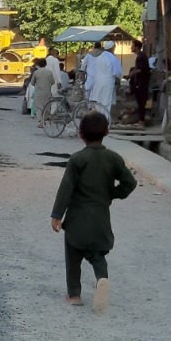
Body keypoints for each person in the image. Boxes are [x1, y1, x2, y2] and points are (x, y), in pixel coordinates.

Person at [50, 112, 137, 313]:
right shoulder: (113, 158)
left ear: (81, 134)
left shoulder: (77, 159)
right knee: (97, 256)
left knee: (73, 255)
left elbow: (66, 189)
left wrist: (56, 215)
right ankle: (102, 280)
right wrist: (112, 194)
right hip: (100, 220)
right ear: (106, 132)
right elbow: (129, 183)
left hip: (76, 220)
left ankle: (74, 295)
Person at [83, 41, 118, 119]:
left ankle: (94, 116)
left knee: (96, 99)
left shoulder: (97, 57)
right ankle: (104, 120)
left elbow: (83, 66)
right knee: (106, 102)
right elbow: (117, 72)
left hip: (95, 80)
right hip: (107, 82)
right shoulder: (112, 58)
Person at [127, 40, 152, 126]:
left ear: (137, 47)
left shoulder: (141, 57)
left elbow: (141, 69)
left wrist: (132, 74)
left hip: (142, 83)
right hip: (140, 82)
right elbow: (137, 68)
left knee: (141, 102)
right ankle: (140, 119)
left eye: (132, 46)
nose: (131, 47)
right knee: (139, 101)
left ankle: (141, 121)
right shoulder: (140, 56)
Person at [28, 58, 58, 128]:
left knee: (38, 107)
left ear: (38, 64)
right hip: (47, 92)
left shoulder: (36, 72)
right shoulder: (49, 72)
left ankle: (41, 121)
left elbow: (32, 83)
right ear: (46, 64)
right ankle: (45, 118)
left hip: (39, 92)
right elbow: (53, 82)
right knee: (47, 106)